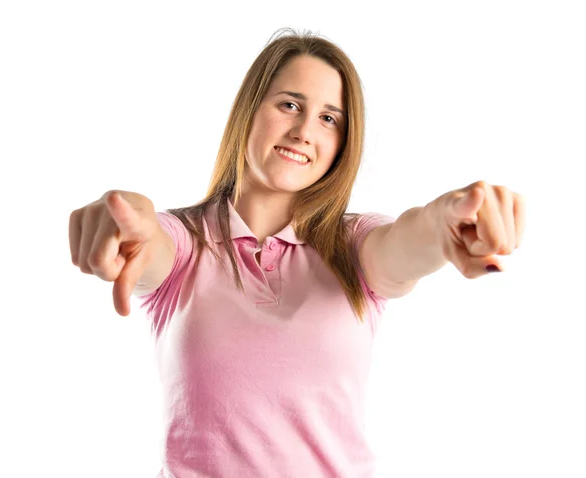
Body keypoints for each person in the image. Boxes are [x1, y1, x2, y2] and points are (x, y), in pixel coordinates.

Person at [69, 28, 526, 478]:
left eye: (329, 119)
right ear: (250, 110)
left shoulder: (355, 245)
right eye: (289, 104)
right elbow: (149, 240)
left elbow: (408, 240)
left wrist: (444, 220)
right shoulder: (187, 241)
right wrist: (125, 221)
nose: (305, 131)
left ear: (342, 144)